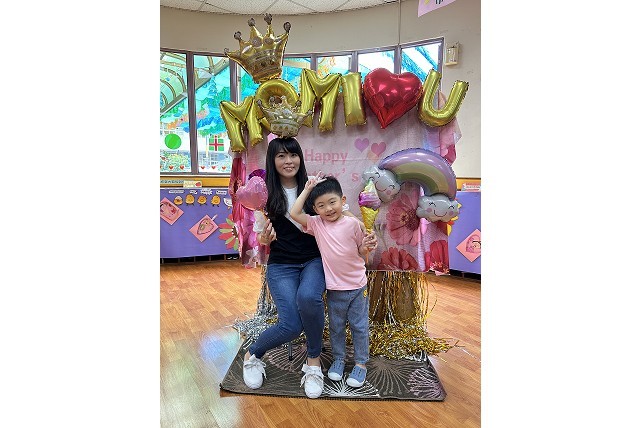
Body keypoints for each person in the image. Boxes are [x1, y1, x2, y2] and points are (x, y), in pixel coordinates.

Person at [242, 136, 361, 399]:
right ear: (272, 160)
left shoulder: (314, 187)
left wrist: (362, 229)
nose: (288, 161)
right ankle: (253, 355)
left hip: (313, 260)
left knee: (309, 297)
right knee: (291, 326)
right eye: (281, 156)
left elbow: (343, 211)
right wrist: (263, 239)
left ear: (300, 158)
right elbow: (259, 234)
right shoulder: (264, 193)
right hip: (281, 264)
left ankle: (313, 363)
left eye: (293, 155)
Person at [290, 174, 377, 388]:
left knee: (359, 327)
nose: (328, 209)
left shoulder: (353, 224)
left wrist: (366, 247)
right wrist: (307, 189)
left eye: (332, 202)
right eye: (321, 206)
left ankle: (361, 363)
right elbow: (294, 213)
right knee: (336, 327)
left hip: (358, 286)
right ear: (315, 209)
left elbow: (361, 250)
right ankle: (339, 359)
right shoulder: (317, 224)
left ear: (342, 200)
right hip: (335, 289)